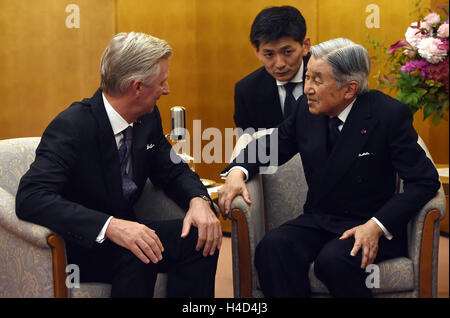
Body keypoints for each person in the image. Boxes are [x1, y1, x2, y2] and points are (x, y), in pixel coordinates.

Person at [219, 38, 440, 298]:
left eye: (317, 80)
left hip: (368, 223)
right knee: (273, 247)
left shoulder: (387, 115)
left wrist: (376, 226)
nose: (307, 89)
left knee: (334, 261)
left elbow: (424, 182)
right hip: (319, 219)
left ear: (349, 89)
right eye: (308, 77)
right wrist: (237, 171)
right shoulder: (305, 109)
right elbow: (270, 145)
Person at [16, 32, 222, 298]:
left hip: (131, 232)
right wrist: (110, 226)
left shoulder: (147, 119)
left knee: (202, 238)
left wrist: (199, 200)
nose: (167, 89)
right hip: (83, 243)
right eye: (162, 82)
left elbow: (172, 169)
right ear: (137, 87)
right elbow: (31, 197)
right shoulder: (72, 126)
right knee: (141, 254)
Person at [234, 5, 311, 132]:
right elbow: (250, 145)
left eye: (287, 52)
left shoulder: (328, 78)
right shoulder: (246, 91)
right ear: (257, 51)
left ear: (305, 46)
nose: (279, 64)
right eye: (269, 54)